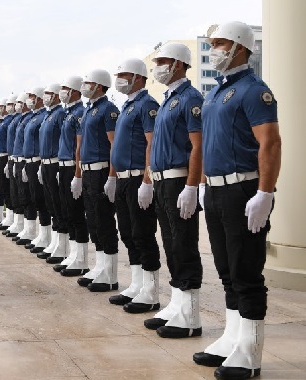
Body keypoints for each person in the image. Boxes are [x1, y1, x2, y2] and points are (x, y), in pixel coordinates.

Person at [192, 21, 281, 380]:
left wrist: (265, 192)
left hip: (242, 191)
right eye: (211, 43)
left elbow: (270, 143)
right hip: (214, 190)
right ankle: (232, 338)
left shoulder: (253, 91)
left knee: (246, 272)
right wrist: (200, 184)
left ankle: (250, 352)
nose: (214, 49)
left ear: (240, 46)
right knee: (227, 270)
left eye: (220, 43)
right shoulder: (215, 92)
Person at [143, 42, 205, 339]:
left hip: (180, 179)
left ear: (178, 64)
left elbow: (198, 145)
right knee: (170, 243)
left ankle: (190, 316)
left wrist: (192, 186)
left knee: (183, 245)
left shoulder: (190, 97)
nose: (157, 67)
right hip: (163, 181)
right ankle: (177, 304)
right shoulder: (169, 98)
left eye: (162, 61)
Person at [105, 58, 161, 313]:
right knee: (127, 232)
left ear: (138, 77)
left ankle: (150, 291)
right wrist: (112, 176)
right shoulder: (127, 105)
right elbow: (117, 147)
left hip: (139, 176)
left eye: (124, 74)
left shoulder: (147, 105)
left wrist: (147, 181)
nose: (119, 79)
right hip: (124, 178)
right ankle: (137, 284)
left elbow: (152, 144)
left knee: (142, 233)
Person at [74, 69, 121, 286]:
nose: (84, 86)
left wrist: (112, 176)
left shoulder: (108, 109)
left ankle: (110, 275)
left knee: (104, 220)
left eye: (88, 82)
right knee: (92, 220)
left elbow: (114, 144)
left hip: (102, 170)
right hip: (89, 171)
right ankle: (100, 266)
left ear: (100, 85)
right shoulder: (90, 110)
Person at [49, 76, 88, 273]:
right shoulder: (67, 113)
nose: (62, 92)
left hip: (73, 165)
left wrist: (78, 174)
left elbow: (79, 146)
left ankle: (81, 260)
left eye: (65, 88)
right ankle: (72, 254)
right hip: (63, 165)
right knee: (67, 211)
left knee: (76, 212)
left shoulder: (80, 112)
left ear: (74, 91)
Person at [36, 84, 66, 257]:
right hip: (46, 163)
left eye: (48, 93)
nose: (45, 96)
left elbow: (66, 139)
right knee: (50, 204)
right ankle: (54, 241)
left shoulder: (60, 114)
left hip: (56, 163)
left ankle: (61, 246)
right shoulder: (49, 115)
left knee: (58, 204)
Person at [20, 87, 50, 249]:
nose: (29, 99)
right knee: (32, 198)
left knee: (41, 200)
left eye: (32, 96)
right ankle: (39, 234)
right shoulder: (34, 117)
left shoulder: (44, 116)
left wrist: (40, 164)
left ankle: (46, 236)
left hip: (40, 161)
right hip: (29, 161)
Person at [10, 93, 35, 242]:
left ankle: (30, 230)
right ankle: (23, 226)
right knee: (20, 195)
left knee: (29, 197)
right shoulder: (21, 119)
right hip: (17, 159)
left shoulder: (29, 118)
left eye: (20, 102)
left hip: (29, 161)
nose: (17, 105)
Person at [3, 93, 26, 237]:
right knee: (14, 193)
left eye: (17, 103)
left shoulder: (21, 120)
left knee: (24, 196)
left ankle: (24, 227)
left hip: (24, 160)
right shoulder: (16, 120)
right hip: (13, 159)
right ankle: (17, 223)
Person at [0, 95, 18, 231]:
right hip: (3, 157)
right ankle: (9, 216)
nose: (2, 109)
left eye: (6, 105)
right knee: (5, 188)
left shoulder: (11, 121)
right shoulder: (6, 121)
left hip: (8, 156)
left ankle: (13, 217)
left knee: (11, 189)